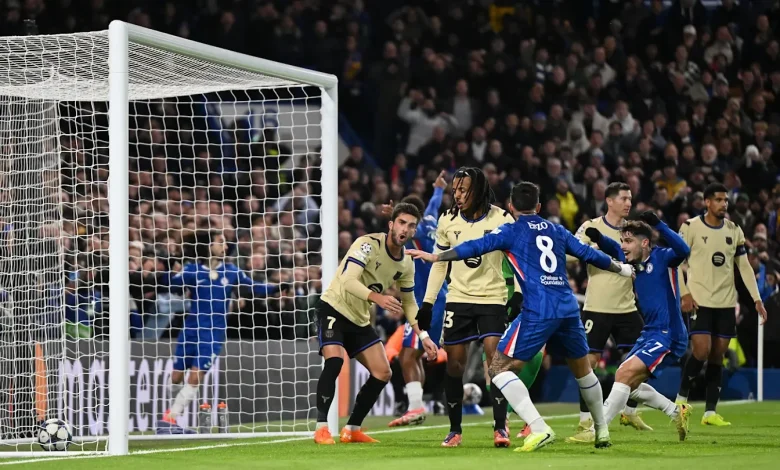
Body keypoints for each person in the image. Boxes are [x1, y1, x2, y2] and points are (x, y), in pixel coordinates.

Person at [409, 182, 634, 452]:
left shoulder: (511, 230)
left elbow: (474, 247)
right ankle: (601, 430)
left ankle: (538, 427)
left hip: (539, 310)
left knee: (497, 369)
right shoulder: (556, 229)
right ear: (538, 207)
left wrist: (438, 257)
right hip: (567, 307)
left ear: (511, 207)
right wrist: (621, 269)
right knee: (584, 371)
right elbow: (589, 254)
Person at [312, 203, 437, 445]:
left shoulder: (406, 263)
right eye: (401, 222)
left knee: (383, 372)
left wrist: (424, 336)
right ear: (391, 224)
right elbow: (348, 280)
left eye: (411, 226)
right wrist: (377, 298)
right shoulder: (368, 244)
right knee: (335, 360)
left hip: (359, 318)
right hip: (334, 308)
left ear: (414, 232)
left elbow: (409, 303)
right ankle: (321, 428)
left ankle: (352, 429)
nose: (405, 229)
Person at [419, 167, 518, 448]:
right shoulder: (447, 220)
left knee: (495, 362)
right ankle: (454, 430)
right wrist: (427, 302)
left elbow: (517, 257)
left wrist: (520, 292)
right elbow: (440, 263)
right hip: (459, 299)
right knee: (455, 364)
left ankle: (500, 427)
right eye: (455, 190)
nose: (458, 195)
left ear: (479, 190)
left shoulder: (502, 218)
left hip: (492, 298)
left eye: (463, 190)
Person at [585, 214, 693, 441]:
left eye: (628, 241)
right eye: (623, 241)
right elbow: (613, 248)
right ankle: (675, 411)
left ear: (644, 243)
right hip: (650, 333)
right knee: (628, 385)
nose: (623, 246)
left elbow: (683, 250)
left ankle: (598, 431)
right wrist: (600, 239)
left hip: (668, 334)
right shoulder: (636, 262)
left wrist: (658, 225)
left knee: (623, 374)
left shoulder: (663, 258)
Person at [161, 230, 282, 427]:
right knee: (176, 376)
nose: (225, 247)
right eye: (220, 242)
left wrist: (276, 287)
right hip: (191, 330)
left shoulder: (231, 271)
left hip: (213, 333)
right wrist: (168, 265)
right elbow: (172, 285)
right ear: (209, 246)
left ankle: (172, 416)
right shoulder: (193, 270)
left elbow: (253, 286)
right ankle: (169, 410)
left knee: (195, 375)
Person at [675, 183, 768, 426]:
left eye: (725, 200)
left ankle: (709, 413)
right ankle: (680, 399)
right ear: (707, 202)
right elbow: (674, 263)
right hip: (699, 300)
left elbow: (744, 267)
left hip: (726, 302)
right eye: (718, 200)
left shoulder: (734, 230)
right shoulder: (690, 227)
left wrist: (757, 299)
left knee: (717, 355)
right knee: (701, 351)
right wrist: (684, 294)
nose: (724, 204)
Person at [567, 182, 651, 444]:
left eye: (630, 198)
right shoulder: (592, 226)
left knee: (643, 362)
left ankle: (629, 412)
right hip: (597, 307)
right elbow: (570, 251)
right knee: (587, 364)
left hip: (627, 306)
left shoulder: (633, 229)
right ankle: (584, 421)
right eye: (624, 198)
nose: (628, 203)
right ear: (609, 201)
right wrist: (592, 252)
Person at [381, 171, 448, 428]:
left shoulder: (417, 231)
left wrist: (391, 214)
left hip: (423, 302)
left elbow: (406, 228)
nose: (404, 227)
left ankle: (415, 407)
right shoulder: (432, 220)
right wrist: (438, 188)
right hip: (438, 297)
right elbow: (433, 203)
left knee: (407, 357)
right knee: (414, 356)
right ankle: (416, 407)